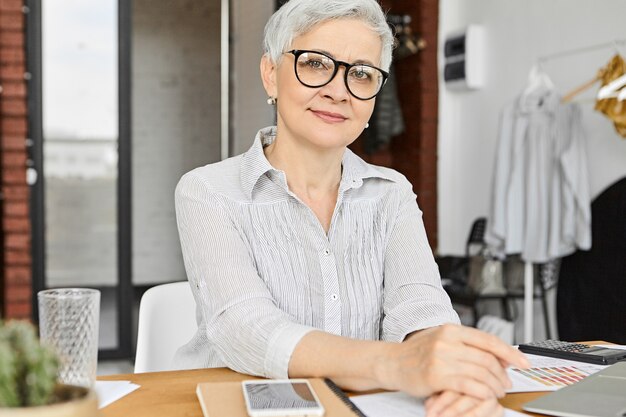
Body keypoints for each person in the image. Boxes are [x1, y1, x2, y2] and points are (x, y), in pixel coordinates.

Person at [173, 1, 529, 416]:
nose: (339, 91)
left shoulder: (391, 192)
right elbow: (246, 329)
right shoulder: (207, 191)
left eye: (360, 73)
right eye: (316, 63)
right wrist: (398, 364)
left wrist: (451, 373)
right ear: (270, 74)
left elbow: (420, 307)